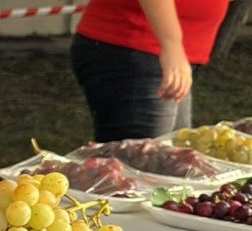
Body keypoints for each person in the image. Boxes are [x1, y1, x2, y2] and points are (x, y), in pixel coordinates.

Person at [71, 0, 228, 142]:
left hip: (169, 54)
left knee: (174, 153)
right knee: (144, 158)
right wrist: (171, 46)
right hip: (135, 47)